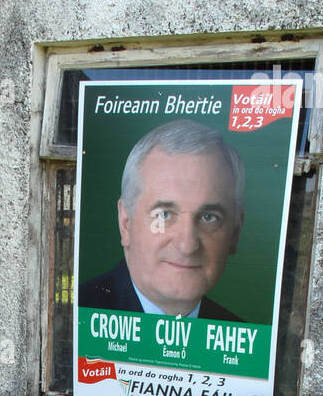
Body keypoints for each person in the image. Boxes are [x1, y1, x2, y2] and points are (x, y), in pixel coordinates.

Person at [78, 119, 245, 321]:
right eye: (164, 214)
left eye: (209, 217)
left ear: (235, 231)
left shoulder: (241, 337)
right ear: (126, 222)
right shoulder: (73, 319)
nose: (187, 246)